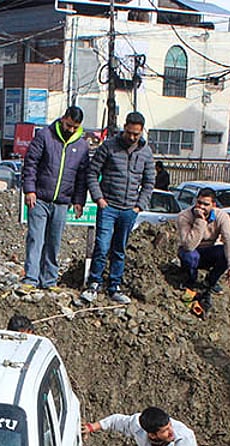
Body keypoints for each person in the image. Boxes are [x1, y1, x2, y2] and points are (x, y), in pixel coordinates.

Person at [82, 111, 155, 305]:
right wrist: (99, 199)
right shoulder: (109, 147)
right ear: (125, 127)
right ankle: (94, 283)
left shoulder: (146, 152)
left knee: (119, 248)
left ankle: (114, 286)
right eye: (130, 133)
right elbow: (92, 173)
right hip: (108, 207)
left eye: (136, 134)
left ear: (141, 132)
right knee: (102, 245)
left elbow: (149, 182)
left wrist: (139, 206)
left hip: (129, 210)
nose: (132, 137)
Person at [19, 107, 90, 291]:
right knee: (36, 238)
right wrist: (29, 190)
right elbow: (31, 163)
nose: (71, 130)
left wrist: (78, 201)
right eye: (68, 125)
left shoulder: (81, 146)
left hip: (62, 201)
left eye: (75, 127)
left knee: (54, 241)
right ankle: (31, 279)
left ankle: (49, 280)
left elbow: (82, 176)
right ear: (63, 119)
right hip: (40, 197)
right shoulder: (45, 136)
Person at [176, 188, 230, 317]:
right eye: (199, 203)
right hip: (191, 250)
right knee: (189, 255)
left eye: (206, 204)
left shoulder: (221, 216)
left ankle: (210, 282)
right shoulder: (185, 216)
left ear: (213, 205)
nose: (201, 207)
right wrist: (200, 221)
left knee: (224, 252)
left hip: (209, 251)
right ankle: (190, 280)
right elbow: (189, 245)